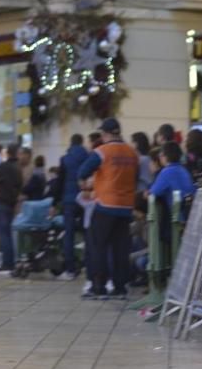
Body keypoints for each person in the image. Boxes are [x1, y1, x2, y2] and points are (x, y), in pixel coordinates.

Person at [78, 117, 139, 300]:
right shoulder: (131, 152)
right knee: (121, 248)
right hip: (126, 206)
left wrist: (87, 185)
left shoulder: (102, 152)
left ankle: (99, 286)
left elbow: (82, 172)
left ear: (105, 134)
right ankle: (120, 288)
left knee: (99, 247)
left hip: (105, 205)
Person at [148, 141, 196, 291]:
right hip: (189, 216)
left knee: (171, 251)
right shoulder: (183, 170)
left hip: (177, 219)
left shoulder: (167, 172)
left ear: (164, 156)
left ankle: (169, 284)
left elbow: (154, 193)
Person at [53, 134, 89, 280]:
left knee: (69, 234)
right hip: (85, 198)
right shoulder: (88, 157)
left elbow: (59, 182)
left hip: (69, 200)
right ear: (82, 142)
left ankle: (70, 270)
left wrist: (55, 202)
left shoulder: (65, 159)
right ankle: (89, 266)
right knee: (88, 233)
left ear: (70, 143)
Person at [0, 143, 23, 275]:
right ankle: (10, 263)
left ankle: (7, 264)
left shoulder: (5, 166)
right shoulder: (17, 167)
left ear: (8, 153)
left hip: (1, 202)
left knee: (3, 234)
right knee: (7, 233)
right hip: (11, 203)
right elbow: (19, 186)